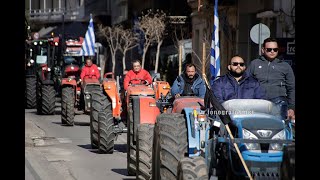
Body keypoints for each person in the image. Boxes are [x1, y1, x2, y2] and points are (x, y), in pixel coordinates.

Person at [249, 37, 295, 120]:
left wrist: (291, 108)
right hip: (258, 102)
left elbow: (291, 88)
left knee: (278, 128)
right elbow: (246, 84)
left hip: (279, 102)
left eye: (275, 49)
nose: (272, 51)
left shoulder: (285, 66)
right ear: (263, 50)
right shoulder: (254, 64)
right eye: (269, 49)